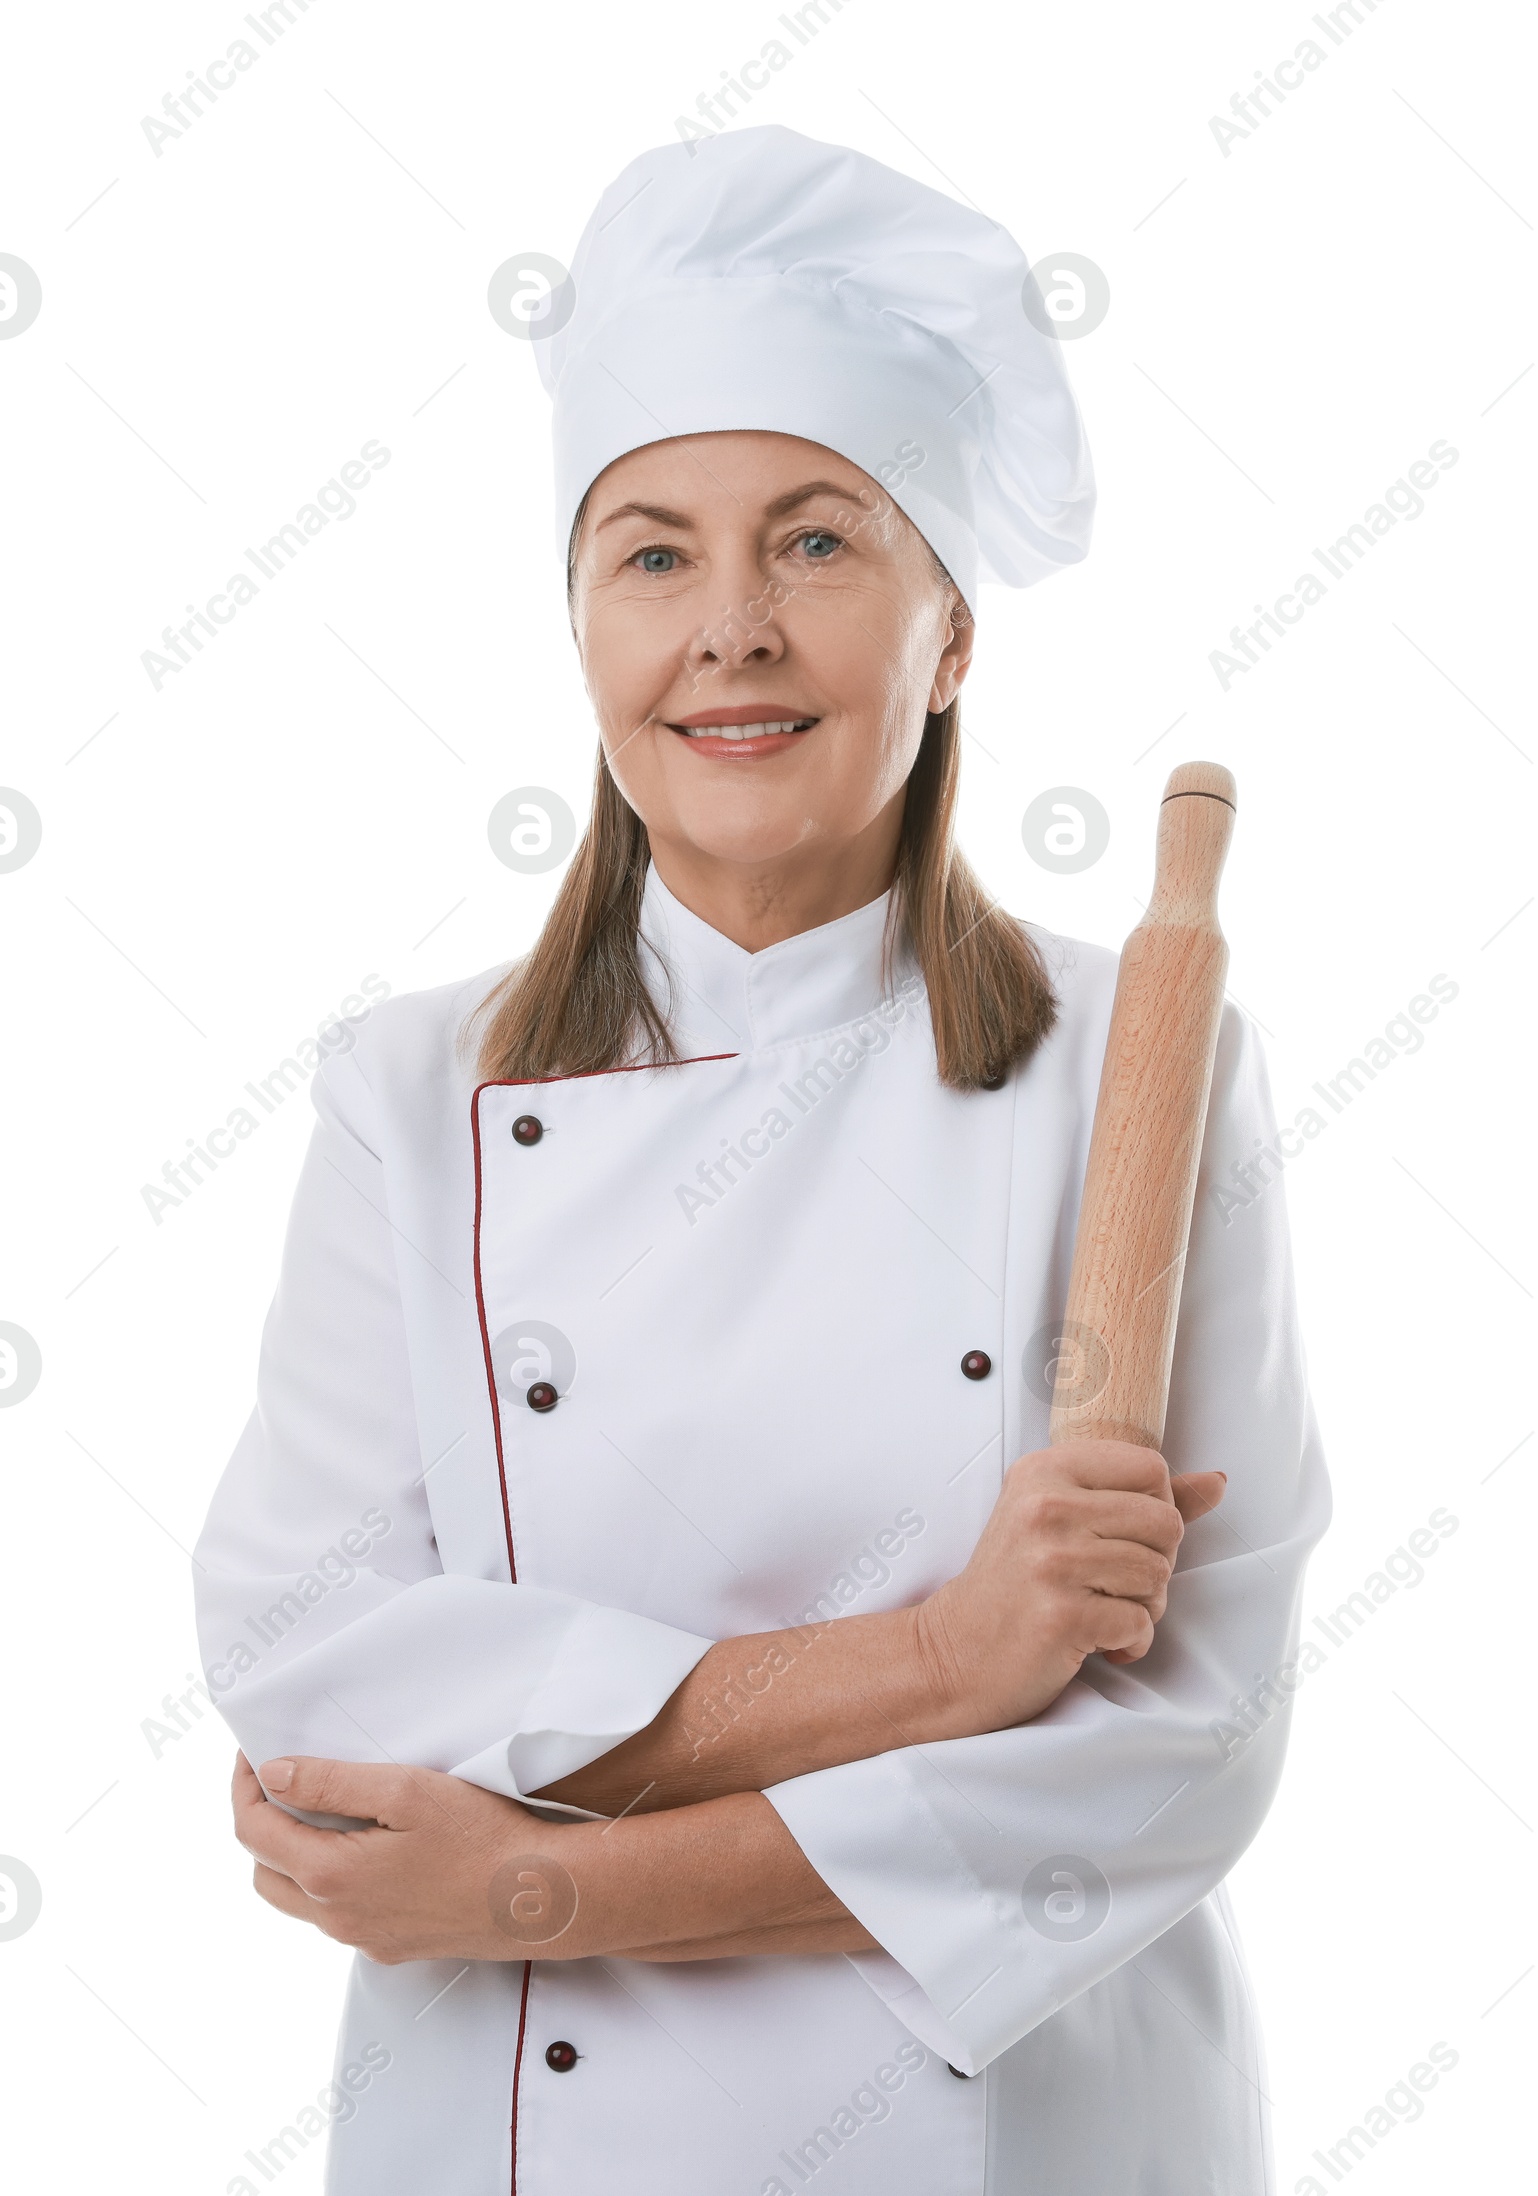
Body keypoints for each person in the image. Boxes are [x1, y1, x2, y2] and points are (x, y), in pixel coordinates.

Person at [198, 124, 1332, 2194]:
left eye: (815, 543)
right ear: (578, 628)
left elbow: (1173, 1757)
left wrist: (540, 1889)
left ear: (949, 630)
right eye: (650, 553)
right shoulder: (405, 1092)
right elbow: (319, 1671)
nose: (727, 628)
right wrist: (928, 1667)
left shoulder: (1136, 1069)